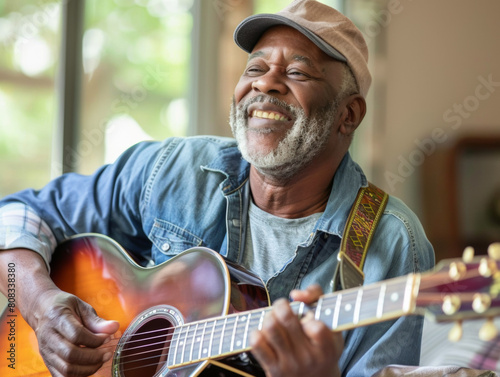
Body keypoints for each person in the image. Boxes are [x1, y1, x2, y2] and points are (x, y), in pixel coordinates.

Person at [0, 0, 434, 376]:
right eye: (256, 68)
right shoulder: (174, 169)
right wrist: (39, 306)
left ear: (349, 115)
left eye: (298, 72)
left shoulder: (391, 243)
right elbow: (19, 215)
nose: (265, 83)